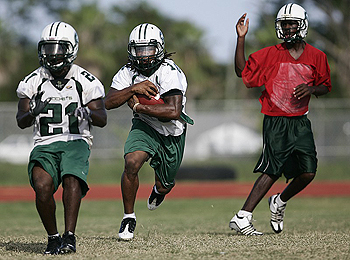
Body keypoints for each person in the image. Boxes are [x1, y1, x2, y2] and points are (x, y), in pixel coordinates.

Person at [229, 3, 332, 235]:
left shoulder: (317, 56)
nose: (286, 29)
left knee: (308, 172)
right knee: (272, 168)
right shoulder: (270, 54)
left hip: (300, 120)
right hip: (275, 119)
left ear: (302, 25)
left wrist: (312, 89)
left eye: (291, 24)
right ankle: (242, 216)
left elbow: (326, 86)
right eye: (283, 25)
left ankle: (279, 201)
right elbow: (241, 71)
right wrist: (241, 38)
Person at [16, 21, 107, 254]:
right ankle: (53, 237)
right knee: (42, 186)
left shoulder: (85, 80)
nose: (53, 55)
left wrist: (87, 111)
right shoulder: (32, 81)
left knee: (71, 178)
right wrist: (32, 112)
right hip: (44, 144)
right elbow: (21, 120)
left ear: (72, 49)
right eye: (48, 48)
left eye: (59, 48)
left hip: (76, 139)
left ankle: (69, 236)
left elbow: (102, 117)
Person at [105, 23, 193, 240]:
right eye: (139, 50)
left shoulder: (169, 71)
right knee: (132, 162)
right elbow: (108, 102)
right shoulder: (127, 72)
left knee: (164, 186)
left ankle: (159, 190)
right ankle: (128, 217)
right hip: (144, 126)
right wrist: (133, 88)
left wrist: (139, 106)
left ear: (160, 48)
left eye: (148, 49)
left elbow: (173, 111)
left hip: (172, 132)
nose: (143, 56)